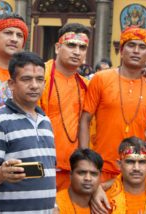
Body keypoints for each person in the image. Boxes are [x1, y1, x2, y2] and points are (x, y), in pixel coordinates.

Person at [79, 27, 146, 181]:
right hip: (100, 166)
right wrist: (84, 158)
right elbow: (85, 119)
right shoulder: (101, 79)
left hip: (134, 169)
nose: (136, 51)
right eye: (131, 45)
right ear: (121, 51)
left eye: (142, 47)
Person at [0, 52, 56, 212]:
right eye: (26, 79)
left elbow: (48, 171)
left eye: (39, 80)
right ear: (11, 84)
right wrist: (1, 173)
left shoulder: (45, 121)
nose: (34, 85)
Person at [39, 23, 90, 191]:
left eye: (82, 47)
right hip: (41, 167)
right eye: (71, 45)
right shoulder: (39, 77)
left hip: (72, 170)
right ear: (57, 47)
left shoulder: (86, 85)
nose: (77, 52)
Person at [106, 137, 146, 213]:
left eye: (142, 162)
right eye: (130, 161)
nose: (136, 168)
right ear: (119, 165)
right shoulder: (105, 200)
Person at [55, 149, 103, 213]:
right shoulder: (56, 205)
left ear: (100, 176)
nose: (88, 178)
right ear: (71, 174)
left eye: (93, 174)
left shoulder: (103, 206)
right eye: (82, 173)